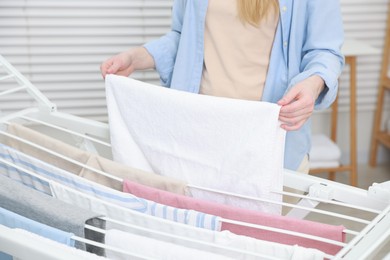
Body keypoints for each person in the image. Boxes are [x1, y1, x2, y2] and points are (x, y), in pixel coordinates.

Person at [100, 0, 344, 176]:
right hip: (200, 133)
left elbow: (325, 51)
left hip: (269, 135)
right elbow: (184, 38)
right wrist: (137, 57)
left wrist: (312, 84)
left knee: (262, 240)